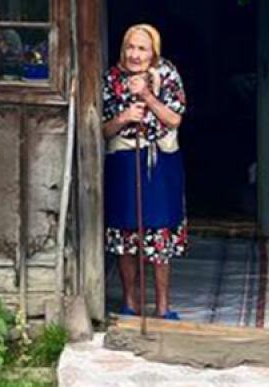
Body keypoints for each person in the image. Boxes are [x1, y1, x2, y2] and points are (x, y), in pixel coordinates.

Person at [102, 23, 188, 319]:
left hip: (160, 160)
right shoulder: (112, 78)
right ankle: (130, 303)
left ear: (154, 52)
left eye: (142, 48)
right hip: (125, 159)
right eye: (130, 47)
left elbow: (175, 119)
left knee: (160, 229)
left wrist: (149, 98)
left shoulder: (167, 74)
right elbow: (103, 128)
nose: (135, 54)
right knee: (126, 231)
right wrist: (125, 116)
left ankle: (164, 307)